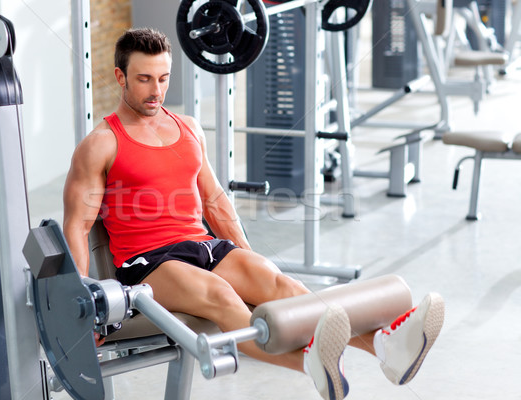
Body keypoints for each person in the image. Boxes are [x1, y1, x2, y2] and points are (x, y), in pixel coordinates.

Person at [62, 28, 445, 400]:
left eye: (163, 78)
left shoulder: (188, 128)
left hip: (203, 246)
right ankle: (307, 364)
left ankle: (384, 347)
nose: (156, 90)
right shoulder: (101, 143)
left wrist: (244, 255)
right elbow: (77, 226)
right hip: (147, 263)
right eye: (144, 79)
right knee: (221, 294)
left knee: (281, 286)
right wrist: (82, 305)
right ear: (120, 77)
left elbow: (213, 200)